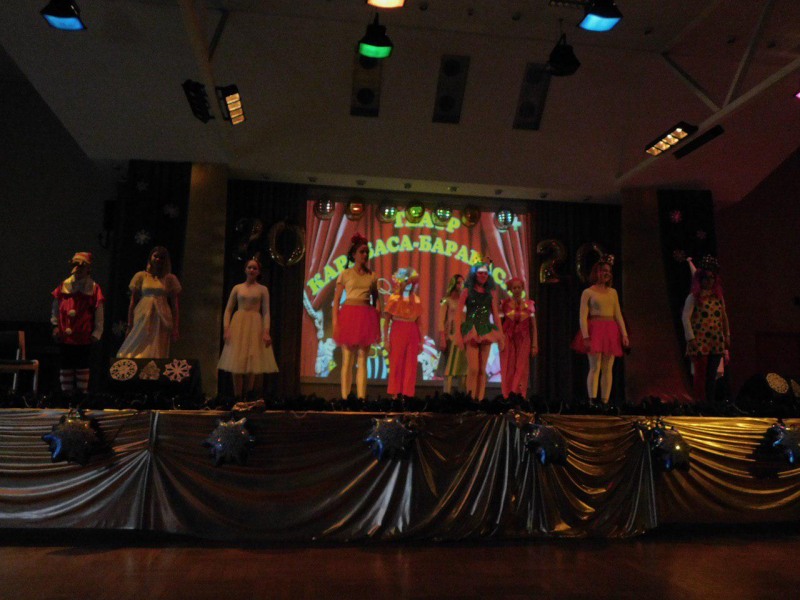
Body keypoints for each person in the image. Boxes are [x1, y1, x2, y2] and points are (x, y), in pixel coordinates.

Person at [571, 256, 630, 407]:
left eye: (609, 271)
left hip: (610, 330)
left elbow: (618, 314)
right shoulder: (588, 292)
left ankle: (605, 401)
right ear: (597, 272)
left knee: (608, 368)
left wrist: (624, 334)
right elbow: (582, 316)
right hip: (595, 330)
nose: (606, 273)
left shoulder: (613, 292)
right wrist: (585, 336)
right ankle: (592, 401)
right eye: (604, 270)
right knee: (595, 366)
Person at [217, 258, 278, 399]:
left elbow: (266, 312)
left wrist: (266, 331)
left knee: (252, 360)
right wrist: (226, 328)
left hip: (255, 325)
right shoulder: (237, 288)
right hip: (239, 324)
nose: (251, 270)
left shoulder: (263, 289)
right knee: (236, 360)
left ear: (258, 272)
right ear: (245, 270)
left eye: (254, 268)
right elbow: (228, 310)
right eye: (249, 267)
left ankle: (248, 396)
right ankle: (237, 396)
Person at [332, 233, 381, 399]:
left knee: (362, 359)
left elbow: (377, 301)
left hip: (366, 317)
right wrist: (335, 322)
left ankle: (361, 399)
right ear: (354, 254)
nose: (365, 255)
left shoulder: (372, 276)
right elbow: (336, 300)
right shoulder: (345, 274)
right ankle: (345, 398)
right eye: (362, 251)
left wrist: (377, 323)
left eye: (367, 252)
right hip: (349, 316)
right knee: (347, 359)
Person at [51, 252, 104, 395]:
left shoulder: (93, 288)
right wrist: (55, 326)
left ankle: (81, 394)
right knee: (66, 364)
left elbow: (99, 311)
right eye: (75, 266)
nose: (78, 269)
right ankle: (66, 394)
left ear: (88, 269)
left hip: (83, 334)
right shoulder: (64, 286)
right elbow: (55, 308)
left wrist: (97, 332)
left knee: (82, 364)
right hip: (65, 334)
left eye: (82, 266)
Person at [117, 246, 181, 359]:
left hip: (162, 316)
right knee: (137, 342)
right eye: (156, 256)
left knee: (157, 345)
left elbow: (175, 305)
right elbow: (132, 302)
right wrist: (130, 324)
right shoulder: (141, 276)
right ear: (151, 257)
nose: (158, 259)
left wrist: (175, 327)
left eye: (162, 257)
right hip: (143, 313)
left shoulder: (169, 279)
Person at [682, 256, 730, 404]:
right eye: (705, 278)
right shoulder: (694, 297)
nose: (708, 281)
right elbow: (685, 318)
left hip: (715, 341)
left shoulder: (718, 297)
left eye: (711, 278)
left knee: (711, 376)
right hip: (700, 342)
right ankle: (700, 404)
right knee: (700, 375)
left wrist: (727, 335)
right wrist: (691, 338)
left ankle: (710, 403)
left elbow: (723, 317)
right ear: (700, 279)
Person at [455, 262, 504, 401]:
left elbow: (495, 315)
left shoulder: (491, 293)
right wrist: (458, 334)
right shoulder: (467, 291)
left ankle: (480, 399)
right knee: (473, 369)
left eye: (485, 273)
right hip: (471, 329)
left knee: (482, 370)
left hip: (485, 329)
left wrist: (501, 335)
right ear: (474, 274)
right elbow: (458, 314)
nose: (483, 275)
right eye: (480, 273)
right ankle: (470, 399)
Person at [383, 268, 423, 399]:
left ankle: (407, 395)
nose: (409, 284)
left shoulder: (416, 299)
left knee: (411, 364)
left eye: (411, 282)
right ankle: (395, 394)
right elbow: (386, 322)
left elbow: (419, 323)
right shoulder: (394, 299)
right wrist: (386, 340)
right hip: (398, 330)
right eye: (406, 281)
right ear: (400, 282)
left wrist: (421, 341)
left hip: (412, 331)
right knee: (396, 362)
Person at [499, 277, 538, 399]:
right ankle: (507, 396)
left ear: (522, 289)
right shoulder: (504, 304)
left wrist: (535, 344)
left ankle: (520, 396)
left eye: (519, 287)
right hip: (508, 337)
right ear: (511, 289)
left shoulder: (529, 305)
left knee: (522, 367)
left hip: (524, 338)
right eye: (514, 288)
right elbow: (499, 324)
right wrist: (500, 340)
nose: (517, 290)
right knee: (508, 367)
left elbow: (533, 326)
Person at [437, 274, 467, 394]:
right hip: (451, 337)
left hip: (463, 337)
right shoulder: (446, 300)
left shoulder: (465, 302)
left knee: (463, 369)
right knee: (449, 368)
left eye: (462, 283)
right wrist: (442, 338)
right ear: (454, 284)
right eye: (458, 283)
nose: (461, 285)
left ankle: (462, 396)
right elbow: (441, 321)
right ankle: (447, 394)